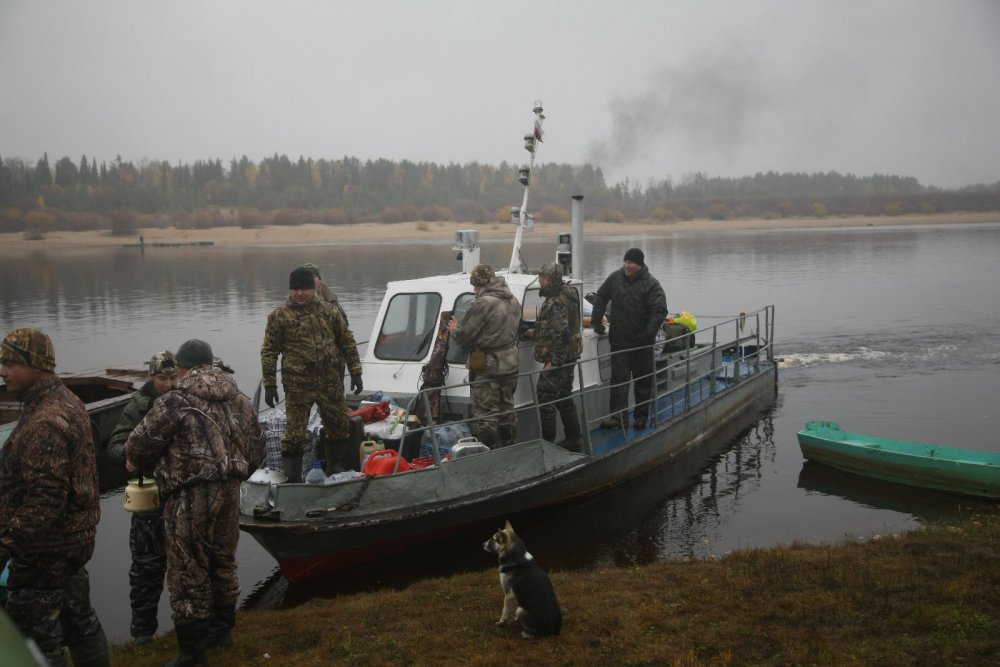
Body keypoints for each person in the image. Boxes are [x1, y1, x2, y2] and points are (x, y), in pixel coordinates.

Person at [124, 338, 265, 666]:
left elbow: (139, 445)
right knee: (223, 559)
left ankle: (192, 651)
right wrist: (234, 474)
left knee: (189, 567)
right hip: (231, 491)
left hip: (189, 494)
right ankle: (222, 632)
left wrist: (141, 460)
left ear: (184, 368)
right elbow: (258, 449)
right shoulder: (239, 398)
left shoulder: (175, 400)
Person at [0, 328, 110, 666]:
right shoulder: (66, 400)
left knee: (36, 638)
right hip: (72, 542)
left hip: (42, 551)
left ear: (40, 366)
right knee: (80, 622)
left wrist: (5, 544)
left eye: (11, 363)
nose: (3, 370)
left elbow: (44, 499)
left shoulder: (45, 421)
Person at [261, 267, 363, 481]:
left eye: (304, 289)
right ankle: (294, 479)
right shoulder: (279, 316)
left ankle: (334, 466)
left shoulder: (329, 311)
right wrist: (270, 384)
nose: (299, 293)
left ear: (313, 288)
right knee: (295, 435)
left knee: (339, 425)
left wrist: (355, 371)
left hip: (329, 381)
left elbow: (346, 341)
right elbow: (269, 350)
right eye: (295, 289)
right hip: (297, 385)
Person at [105, 351, 177, 645]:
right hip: (149, 499)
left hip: (181, 496)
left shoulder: (184, 400)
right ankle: (143, 634)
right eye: (163, 378)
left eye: (174, 377)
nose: (169, 384)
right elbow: (114, 445)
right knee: (146, 568)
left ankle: (189, 628)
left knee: (188, 565)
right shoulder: (139, 405)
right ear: (151, 378)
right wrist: (129, 456)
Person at [589, 248, 668, 430]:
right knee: (618, 381)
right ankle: (618, 418)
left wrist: (648, 334)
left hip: (641, 344)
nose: (626, 266)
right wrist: (596, 321)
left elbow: (659, 311)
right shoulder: (615, 278)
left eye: (630, 263)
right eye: (625, 262)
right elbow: (601, 296)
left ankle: (641, 417)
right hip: (620, 341)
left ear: (639, 265)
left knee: (643, 382)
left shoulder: (651, 284)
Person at [447, 264, 522, 448]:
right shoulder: (513, 300)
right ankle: (509, 449)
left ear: (479, 284)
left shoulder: (483, 303)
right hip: (510, 363)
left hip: (489, 367)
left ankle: (487, 457)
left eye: (475, 285)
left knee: (485, 417)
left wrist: (453, 328)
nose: (474, 289)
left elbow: (464, 335)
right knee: (507, 412)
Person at [533, 261, 583, 451]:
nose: (539, 281)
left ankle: (547, 446)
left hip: (560, 358)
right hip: (571, 354)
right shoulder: (568, 294)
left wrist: (555, 362)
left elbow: (561, 333)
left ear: (547, 279)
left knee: (545, 396)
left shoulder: (556, 302)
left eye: (540, 278)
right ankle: (573, 439)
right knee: (563, 395)